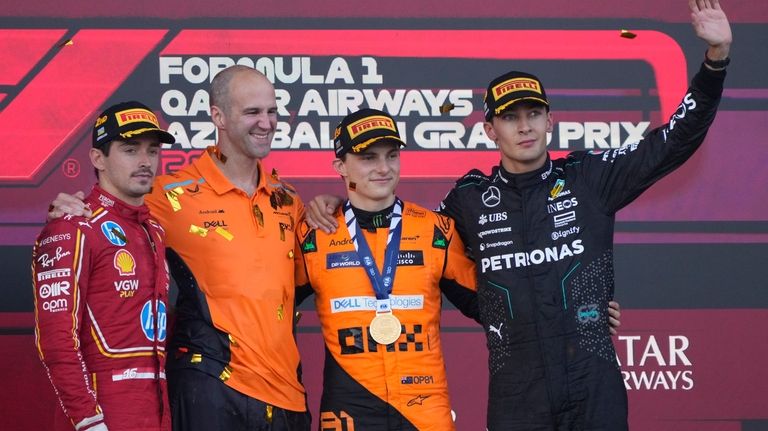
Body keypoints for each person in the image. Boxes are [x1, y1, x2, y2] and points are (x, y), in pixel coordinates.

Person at [306, 1, 731, 429]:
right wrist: (338, 204)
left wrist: (715, 62)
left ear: (551, 120)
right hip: (517, 392)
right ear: (490, 129)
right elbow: (412, 247)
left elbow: (673, 141)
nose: (524, 126)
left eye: (533, 114)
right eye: (510, 117)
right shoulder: (468, 199)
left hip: (592, 382)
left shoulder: (589, 178)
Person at [48, 66, 311, 430]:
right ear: (217, 116)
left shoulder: (288, 199)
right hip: (214, 387)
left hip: (287, 394)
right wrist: (67, 207)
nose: (266, 122)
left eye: (272, 111)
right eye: (252, 112)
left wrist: (326, 204)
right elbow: (111, 203)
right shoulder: (166, 195)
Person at [294, 108, 479, 430]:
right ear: (340, 166)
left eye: (391, 156)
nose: (383, 168)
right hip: (348, 408)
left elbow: (491, 306)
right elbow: (266, 313)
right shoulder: (315, 233)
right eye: (368, 158)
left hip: (424, 408)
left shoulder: (435, 230)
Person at [33, 101, 174, 431]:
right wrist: (87, 420)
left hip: (157, 414)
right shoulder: (72, 226)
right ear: (98, 158)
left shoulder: (154, 229)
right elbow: (56, 341)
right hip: (104, 415)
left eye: (152, 151)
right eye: (129, 149)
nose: (145, 162)